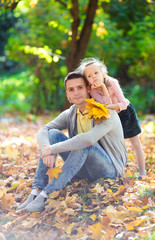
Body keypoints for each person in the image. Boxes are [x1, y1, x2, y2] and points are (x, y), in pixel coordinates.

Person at [17, 71, 128, 213]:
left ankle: (47, 194)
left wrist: (53, 149)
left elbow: (87, 140)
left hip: (109, 170)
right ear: (67, 94)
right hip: (82, 169)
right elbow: (43, 130)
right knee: (53, 134)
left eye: (80, 88)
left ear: (88, 89)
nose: (76, 93)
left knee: (84, 144)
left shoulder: (105, 111)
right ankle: (36, 191)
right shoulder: (71, 113)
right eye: (71, 89)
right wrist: (47, 151)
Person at [77, 57, 146, 177]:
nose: (93, 76)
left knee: (135, 142)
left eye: (96, 73)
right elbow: (103, 106)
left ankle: (142, 172)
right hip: (110, 117)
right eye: (89, 76)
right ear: (86, 80)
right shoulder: (90, 90)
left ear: (103, 72)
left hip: (125, 113)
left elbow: (123, 103)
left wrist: (104, 89)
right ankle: (117, 172)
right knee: (114, 145)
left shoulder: (112, 83)